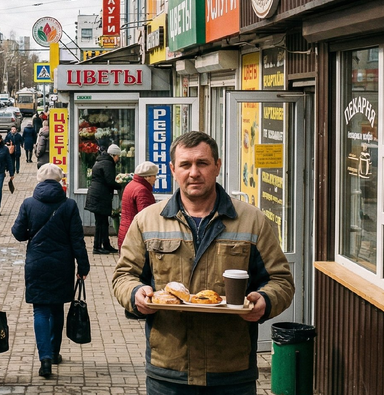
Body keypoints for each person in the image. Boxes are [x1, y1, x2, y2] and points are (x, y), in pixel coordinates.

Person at [112, 131, 295, 394]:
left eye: (202, 163)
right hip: (169, 373)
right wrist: (135, 294)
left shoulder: (252, 221)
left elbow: (281, 281)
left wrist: (265, 301)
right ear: (173, 170)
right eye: (185, 165)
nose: (194, 172)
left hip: (231, 373)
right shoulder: (147, 221)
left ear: (217, 166)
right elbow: (123, 276)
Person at [11, 164, 89, 379]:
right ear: (60, 181)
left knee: (40, 310)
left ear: (38, 180)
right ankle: (54, 353)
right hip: (62, 264)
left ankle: (44, 359)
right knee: (56, 308)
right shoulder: (69, 205)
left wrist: (32, 233)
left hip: (36, 263)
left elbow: (18, 233)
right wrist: (83, 266)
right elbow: (77, 239)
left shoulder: (28, 203)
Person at [86, 144, 123, 255]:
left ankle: (106, 245)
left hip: (97, 195)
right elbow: (109, 181)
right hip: (100, 196)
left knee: (103, 222)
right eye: (118, 156)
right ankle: (97, 247)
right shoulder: (108, 164)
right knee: (101, 223)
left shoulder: (101, 161)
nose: (118, 159)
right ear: (113, 155)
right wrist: (120, 185)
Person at [119, 161, 158, 250]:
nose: (155, 179)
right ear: (147, 177)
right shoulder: (142, 191)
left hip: (126, 230)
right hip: (135, 235)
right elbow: (146, 218)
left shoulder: (131, 185)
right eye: (154, 176)